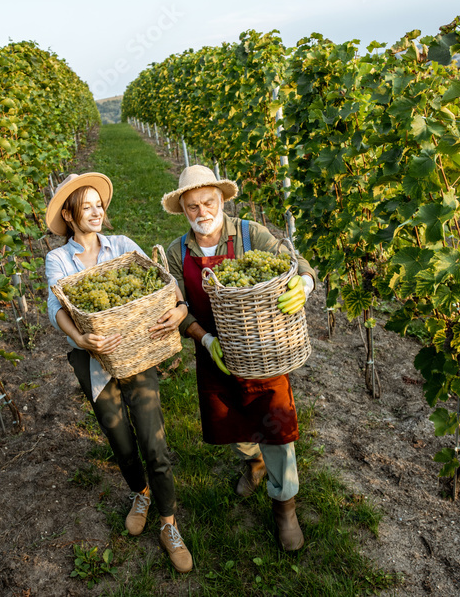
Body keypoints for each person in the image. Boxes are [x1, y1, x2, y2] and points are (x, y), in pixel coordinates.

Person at [161, 165, 315, 552]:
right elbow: (179, 311)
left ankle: (285, 507)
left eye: (208, 202)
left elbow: (297, 264)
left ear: (222, 200)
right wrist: (204, 338)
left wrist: (305, 284)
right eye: (192, 205)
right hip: (216, 354)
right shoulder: (178, 253)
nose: (201, 211)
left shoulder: (250, 234)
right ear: (183, 209)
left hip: (262, 350)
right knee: (232, 421)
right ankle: (252, 462)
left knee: (276, 426)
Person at [45, 172, 193, 573]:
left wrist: (180, 311)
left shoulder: (124, 246)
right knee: (120, 441)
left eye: (99, 204)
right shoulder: (58, 259)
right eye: (86, 206)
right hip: (93, 361)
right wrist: (82, 338)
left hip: (137, 354)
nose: (96, 212)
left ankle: (168, 524)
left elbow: (166, 286)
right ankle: (140, 493)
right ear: (70, 216)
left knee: (154, 444)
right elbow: (56, 305)